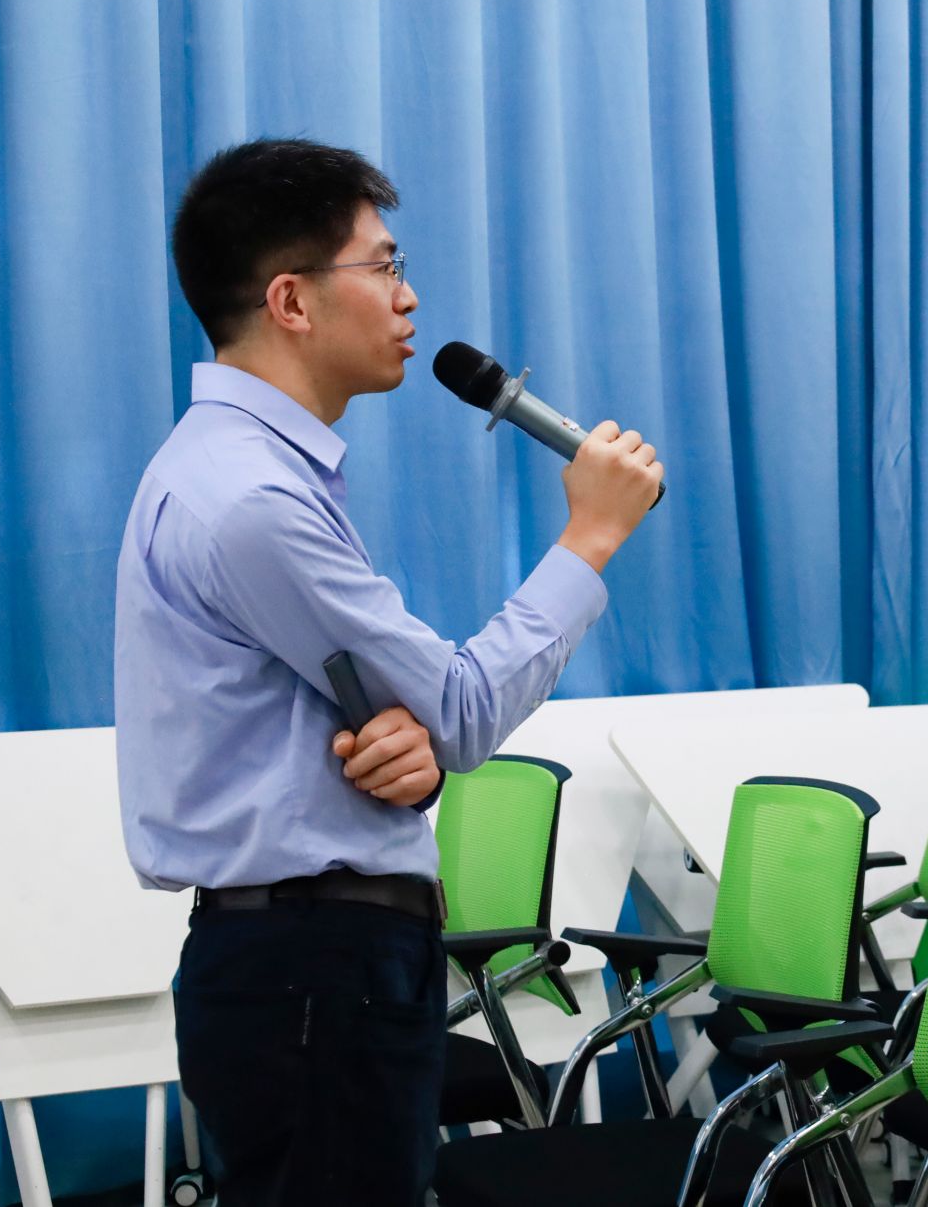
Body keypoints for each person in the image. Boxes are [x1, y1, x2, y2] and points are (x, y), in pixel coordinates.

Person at [114, 138, 663, 1204]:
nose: (409, 299)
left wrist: (409, 752)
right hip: (315, 973)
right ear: (291, 300)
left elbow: (383, 720)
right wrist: (589, 536)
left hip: (305, 963)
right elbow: (459, 708)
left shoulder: (236, 470)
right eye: (385, 267)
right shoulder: (252, 500)